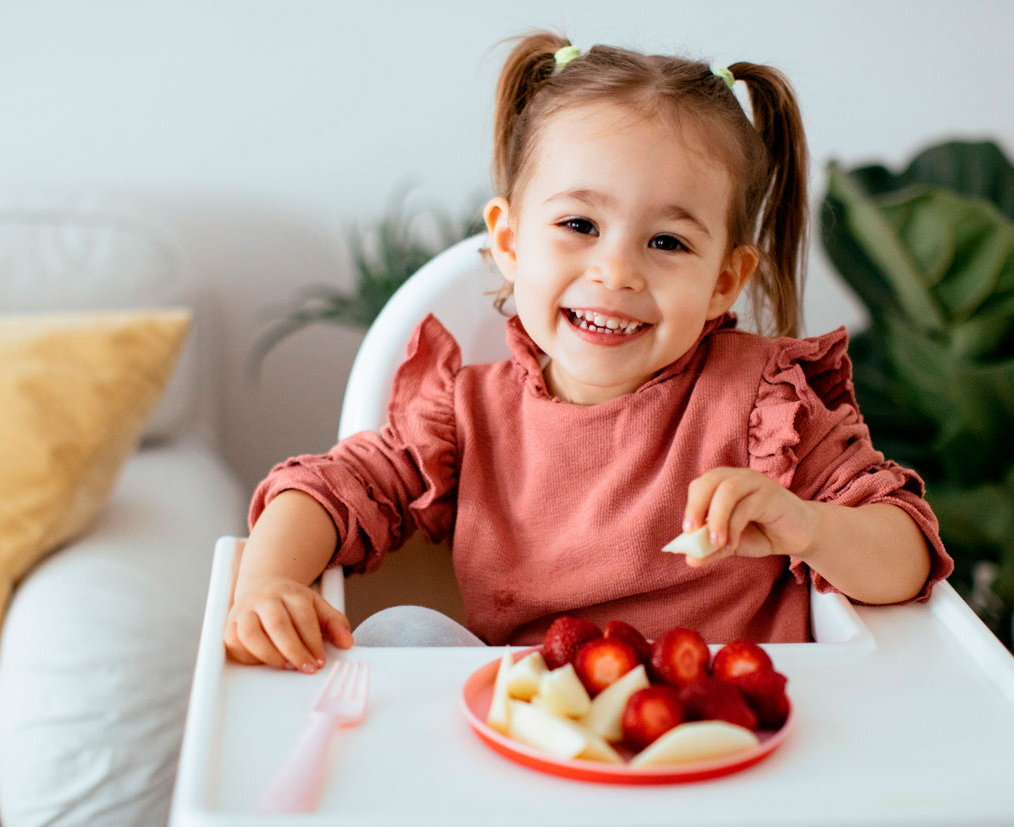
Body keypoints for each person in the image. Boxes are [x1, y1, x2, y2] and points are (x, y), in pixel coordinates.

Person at [225, 32, 953, 673]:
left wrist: (808, 523)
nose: (617, 272)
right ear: (509, 244)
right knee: (398, 635)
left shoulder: (765, 403)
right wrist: (267, 585)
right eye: (579, 223)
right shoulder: (464, 413)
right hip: (530, 732)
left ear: (723, 281)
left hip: (719, 733)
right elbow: (327, 488)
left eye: (667, 242)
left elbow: (908, 550)